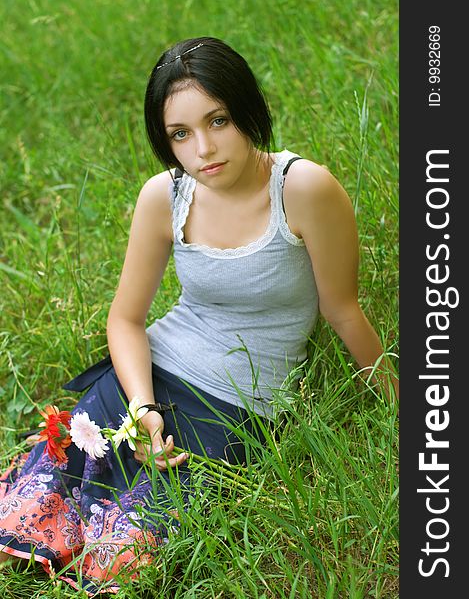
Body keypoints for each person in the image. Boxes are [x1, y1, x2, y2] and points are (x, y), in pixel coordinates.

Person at [0, 36, 398, 593]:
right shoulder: (164, 196)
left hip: (236, 406)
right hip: (147, 376)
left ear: (247, 110)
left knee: (127, 558)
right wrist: (141, 408)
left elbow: (343, 310)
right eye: (180, 134)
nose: (203, 150)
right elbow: (126, 321)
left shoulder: (302, 188)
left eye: (219, 120)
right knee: (25, 516)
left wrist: (408, 410)